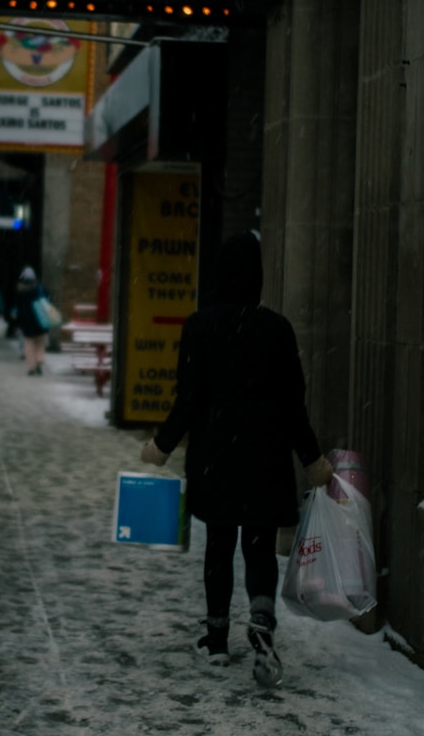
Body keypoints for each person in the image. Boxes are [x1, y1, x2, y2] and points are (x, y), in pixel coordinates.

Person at [140, 232, 333, 686]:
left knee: (220, 545)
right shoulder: (278, 329)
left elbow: (187, 399)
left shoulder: (199, 327)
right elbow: (293, 406)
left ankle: (217, 638)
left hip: (217, 458)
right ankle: (262, 621)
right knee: (260, 546)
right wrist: (313, 459)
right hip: (266, 458)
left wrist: (162, 446)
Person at [11, 266, 50, 375]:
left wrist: (16, 317)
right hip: (41, 319)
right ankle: (39, 360)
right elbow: (48, 301)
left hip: (27, 320)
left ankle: (31, 367)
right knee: (40, 342)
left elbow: (17, 306)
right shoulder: (41, 288)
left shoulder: (21, 290)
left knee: (29, 344)